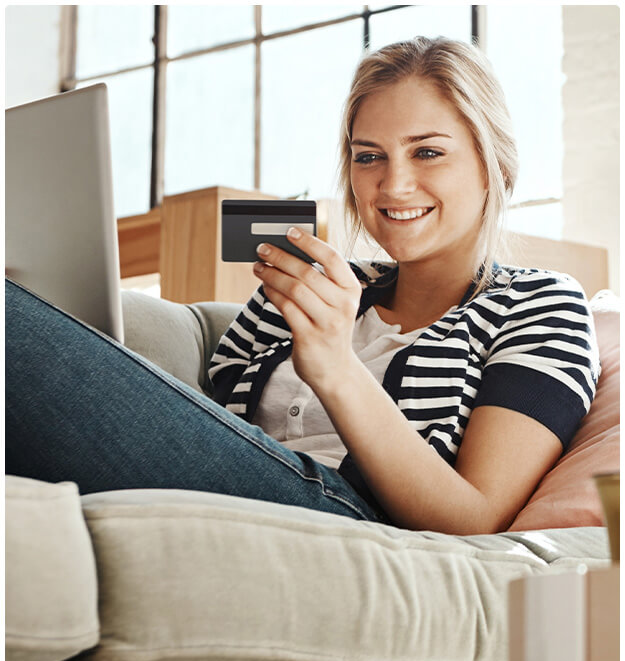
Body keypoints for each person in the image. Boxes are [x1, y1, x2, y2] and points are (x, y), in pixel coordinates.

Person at [6, 37, 599, 535]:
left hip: (342, 517)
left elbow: (474, 518)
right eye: (369, 157)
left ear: (494, 166)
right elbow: (205, 424)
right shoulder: (308, 287)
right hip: (229, 482)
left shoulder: (540, 304)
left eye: (428, 152)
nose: (393, 185)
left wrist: (336, 367)